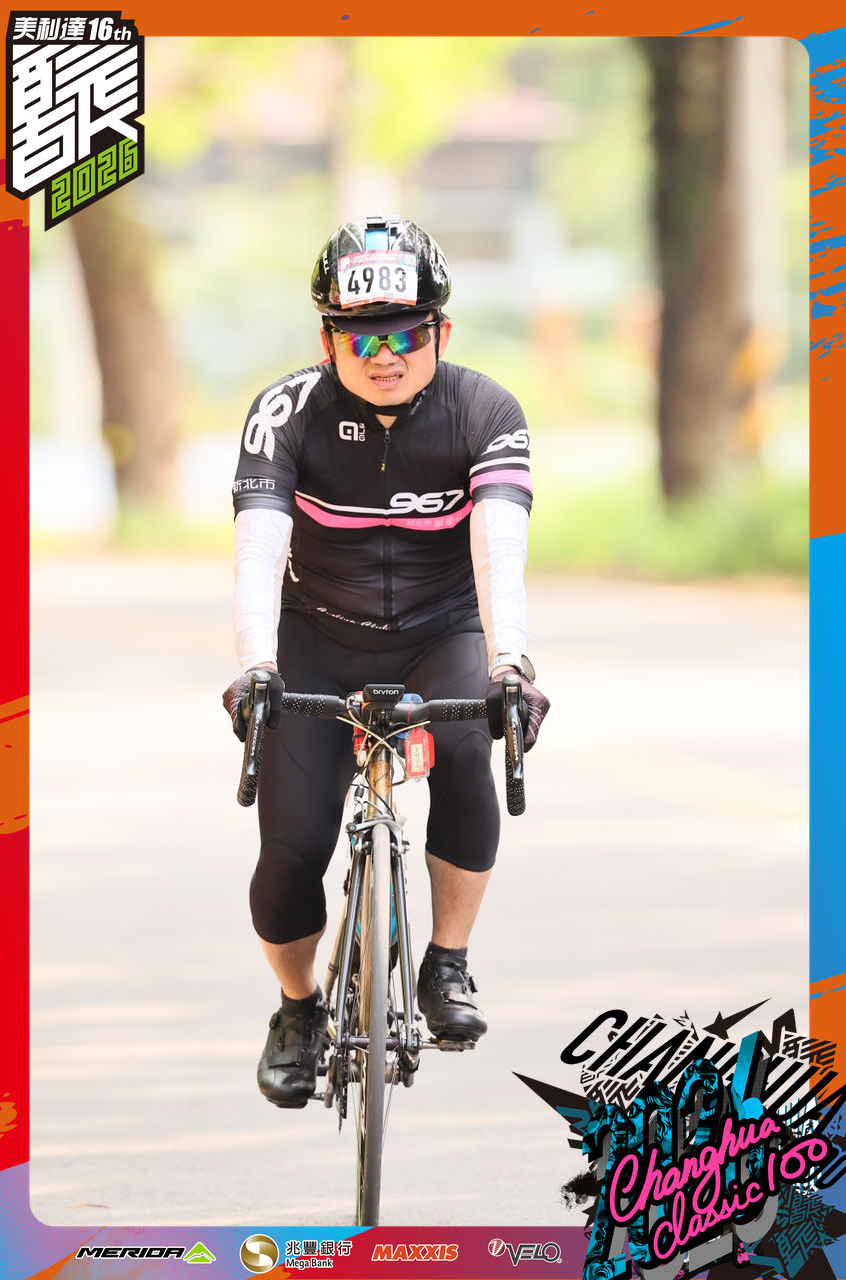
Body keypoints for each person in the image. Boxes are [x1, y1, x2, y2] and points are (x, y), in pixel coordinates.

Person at [223, 214, 550, 1109]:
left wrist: (510, 665)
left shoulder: (485, 411)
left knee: (471, 755)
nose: (384, 355)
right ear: (326, 338)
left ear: (441, 331)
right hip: (315, 637)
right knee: (291, 851)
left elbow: (499, 549)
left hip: (443, 633)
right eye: (360, 336)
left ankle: (446, 961)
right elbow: (258, 548)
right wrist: (257, 665)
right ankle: (297, 1009)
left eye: (405, 333)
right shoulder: (285, 413)